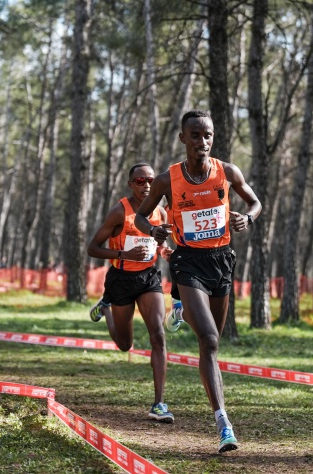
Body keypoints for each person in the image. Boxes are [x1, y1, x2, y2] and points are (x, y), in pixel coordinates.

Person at [135, 109, 262, 453]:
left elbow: (255, 201)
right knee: (208, 339)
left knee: (212, 342)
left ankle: (182, 311)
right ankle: (224, 424)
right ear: (183, 139)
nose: (201, 142)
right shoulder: (167, 180)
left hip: (221, 261)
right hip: (187, 260)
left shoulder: (227, 172)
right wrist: (153, 230)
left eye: (207, 135)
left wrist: (247, 218)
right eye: (195, 135)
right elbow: (140, 215)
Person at [87, 163, 175, 423]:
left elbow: (158, 241)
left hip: (148, 278)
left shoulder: (159, 212)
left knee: (158, 335)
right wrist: (123, 254)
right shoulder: (119, 212)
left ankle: (159, 403)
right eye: (140, 180)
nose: (146, 185)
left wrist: (164, 251)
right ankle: (105, 308)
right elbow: (93, 247)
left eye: (150, 180)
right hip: (121, 279)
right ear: (130, 184)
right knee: (125, 345)